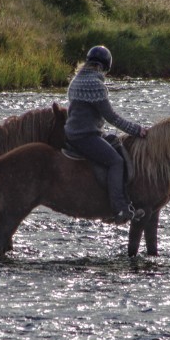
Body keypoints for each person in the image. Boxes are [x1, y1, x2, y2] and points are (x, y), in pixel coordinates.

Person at [65, 45, 147, 224]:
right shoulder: (96, 85)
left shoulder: (76, 80)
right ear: (105, 67)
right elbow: (112, 117)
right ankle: (119, 209)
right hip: (85, 137)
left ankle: (126, 203)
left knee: (115, 143)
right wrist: (136, 130)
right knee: (115, 162)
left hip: (72, 133)